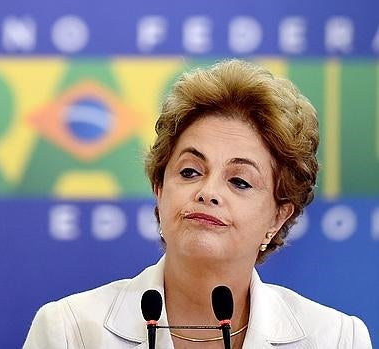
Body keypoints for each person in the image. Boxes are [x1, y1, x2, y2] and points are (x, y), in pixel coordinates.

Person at [23, 59, 372, 349]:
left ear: (278, 217)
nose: (208, 192)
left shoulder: (336, 338)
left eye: (239, 181)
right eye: (190, 172)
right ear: (159, 188)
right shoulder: (70, 332)